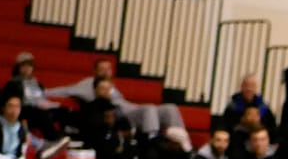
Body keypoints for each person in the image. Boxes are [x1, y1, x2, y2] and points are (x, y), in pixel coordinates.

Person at [59, 56, 191, 152]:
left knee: (170, 108)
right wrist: (40, 93)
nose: (106, 72)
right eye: (102, 69)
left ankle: (184, 144)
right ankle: (153, 142)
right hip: (121, 115)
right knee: (148, 108)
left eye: (108, 69)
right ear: (95, 72)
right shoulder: (88, 83)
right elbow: (66, 90)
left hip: (131, 108)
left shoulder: (112, 85)